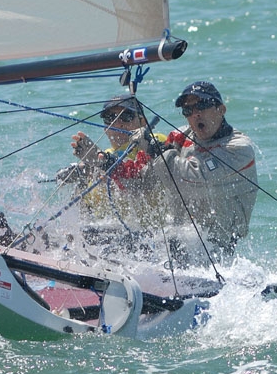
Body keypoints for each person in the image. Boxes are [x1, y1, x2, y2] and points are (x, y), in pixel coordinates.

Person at [139, 81, 257, 260]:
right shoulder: (183, 135)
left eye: (202, 105)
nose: (196, 114)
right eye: (188, 111)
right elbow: (146, 182)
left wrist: (161, 155)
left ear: (221, 109)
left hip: (218, 247)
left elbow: (190, 180)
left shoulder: (238, 148)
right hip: (176, 237)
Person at [57, 94, 167, 235]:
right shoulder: (101, 155)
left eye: (126, 117)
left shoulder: (154, 142)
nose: (117, 124)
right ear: (105, 127)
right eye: (110, 119)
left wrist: (104, 164)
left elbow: (139, 178)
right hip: (108, 232)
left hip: (152, 233)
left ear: (143, 121)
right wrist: (79, 172)